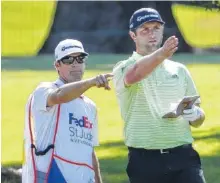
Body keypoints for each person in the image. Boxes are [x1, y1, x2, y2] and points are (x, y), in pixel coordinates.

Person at [112, 8, 206, 183]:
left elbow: (198, 115)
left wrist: (196, 115)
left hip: (183, 156)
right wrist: (162, 54)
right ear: (133, 35)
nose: (152, 33)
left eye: (156, 28)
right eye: (145, 30)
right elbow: (135, 75)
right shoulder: (123, 67)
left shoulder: (179, 70)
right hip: (145, 160)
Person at [22, 39, 112, 183]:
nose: (75, 63)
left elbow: (90, 151)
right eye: (68, 59)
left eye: (80, 59)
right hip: (50, 174)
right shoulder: (44, 89)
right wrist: (91, 82)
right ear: (57, 65)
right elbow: (60, 96)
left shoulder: (90, 106)